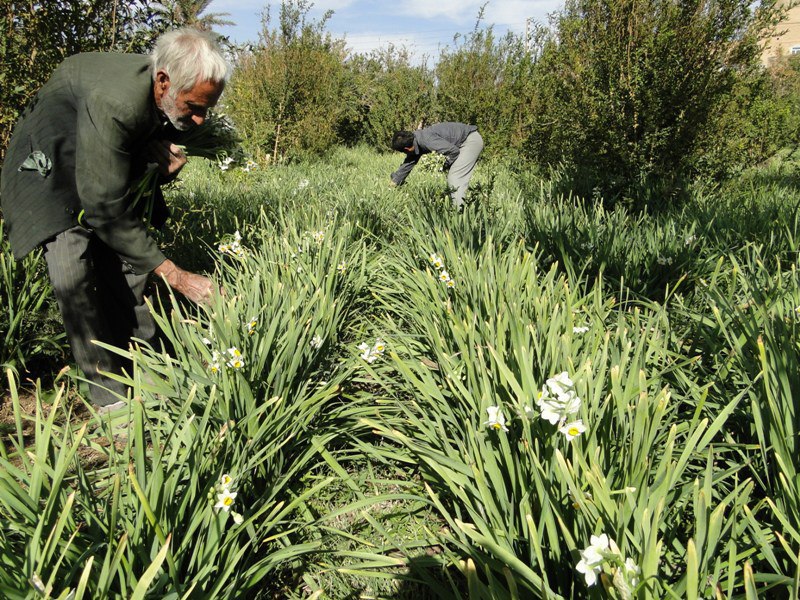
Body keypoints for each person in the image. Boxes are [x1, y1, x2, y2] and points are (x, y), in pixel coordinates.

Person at [0, 28, 230, 409]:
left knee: (133, 265)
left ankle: (151, 370)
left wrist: (160, 156)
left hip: (97, 154)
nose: (201, 119)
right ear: (163, 82)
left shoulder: (162, 94)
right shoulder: (117, 101)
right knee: (73, 269)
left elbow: (129, 153)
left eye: (208, 108)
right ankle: (110, 401)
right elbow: (104, 209)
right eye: (194, 106)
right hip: (49, 166)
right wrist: (175, 274)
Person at [389, 122, 484, 208]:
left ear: (407, 149)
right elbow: (410, 161)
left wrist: (444, 165)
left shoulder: (426, 140)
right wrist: (395, 181)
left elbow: (453, 151)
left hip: (470, 141)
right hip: (462, 142)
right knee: (453, 176)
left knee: (455, 176)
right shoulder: (415, 139)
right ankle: (458, 205)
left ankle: (459, 213)